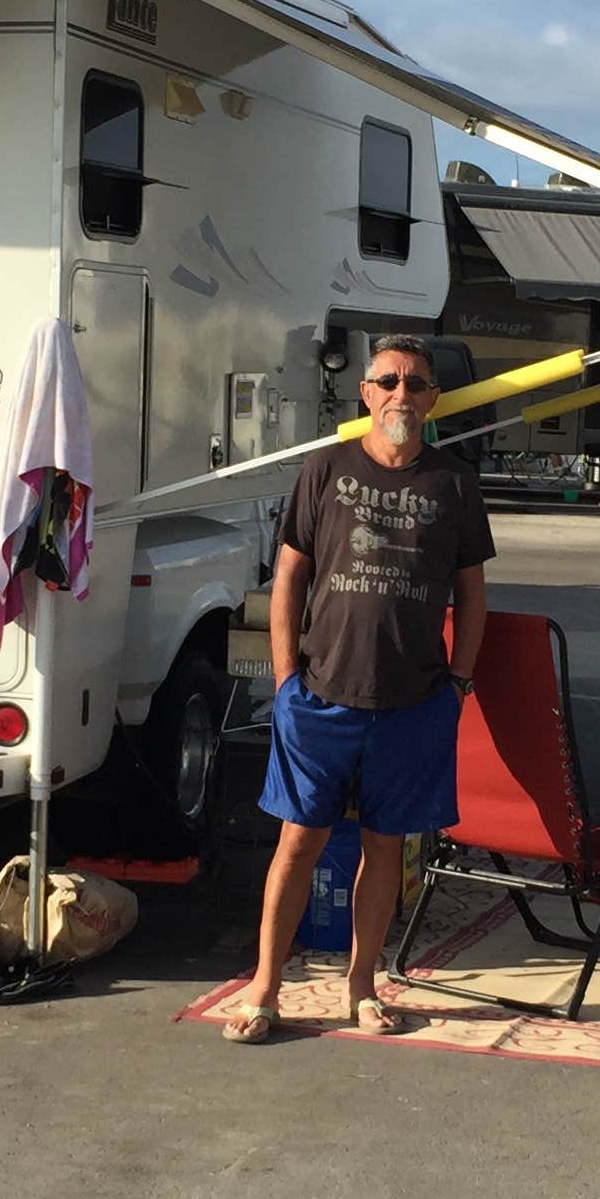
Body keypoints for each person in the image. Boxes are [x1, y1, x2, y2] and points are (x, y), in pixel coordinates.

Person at [224, 332, 492, 1043]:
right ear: (367, 393)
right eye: (389, 381)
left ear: (433, 399)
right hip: (320, 696)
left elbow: (471, 591)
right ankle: (264, 988)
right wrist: (286, 681)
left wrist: (458, 681)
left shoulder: (454, 483)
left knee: (384, 849)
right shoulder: (325, 469)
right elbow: (289, 577)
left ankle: (360, 987)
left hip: (413, 702)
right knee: (299, 841)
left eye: (416, 383)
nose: (402, 393)